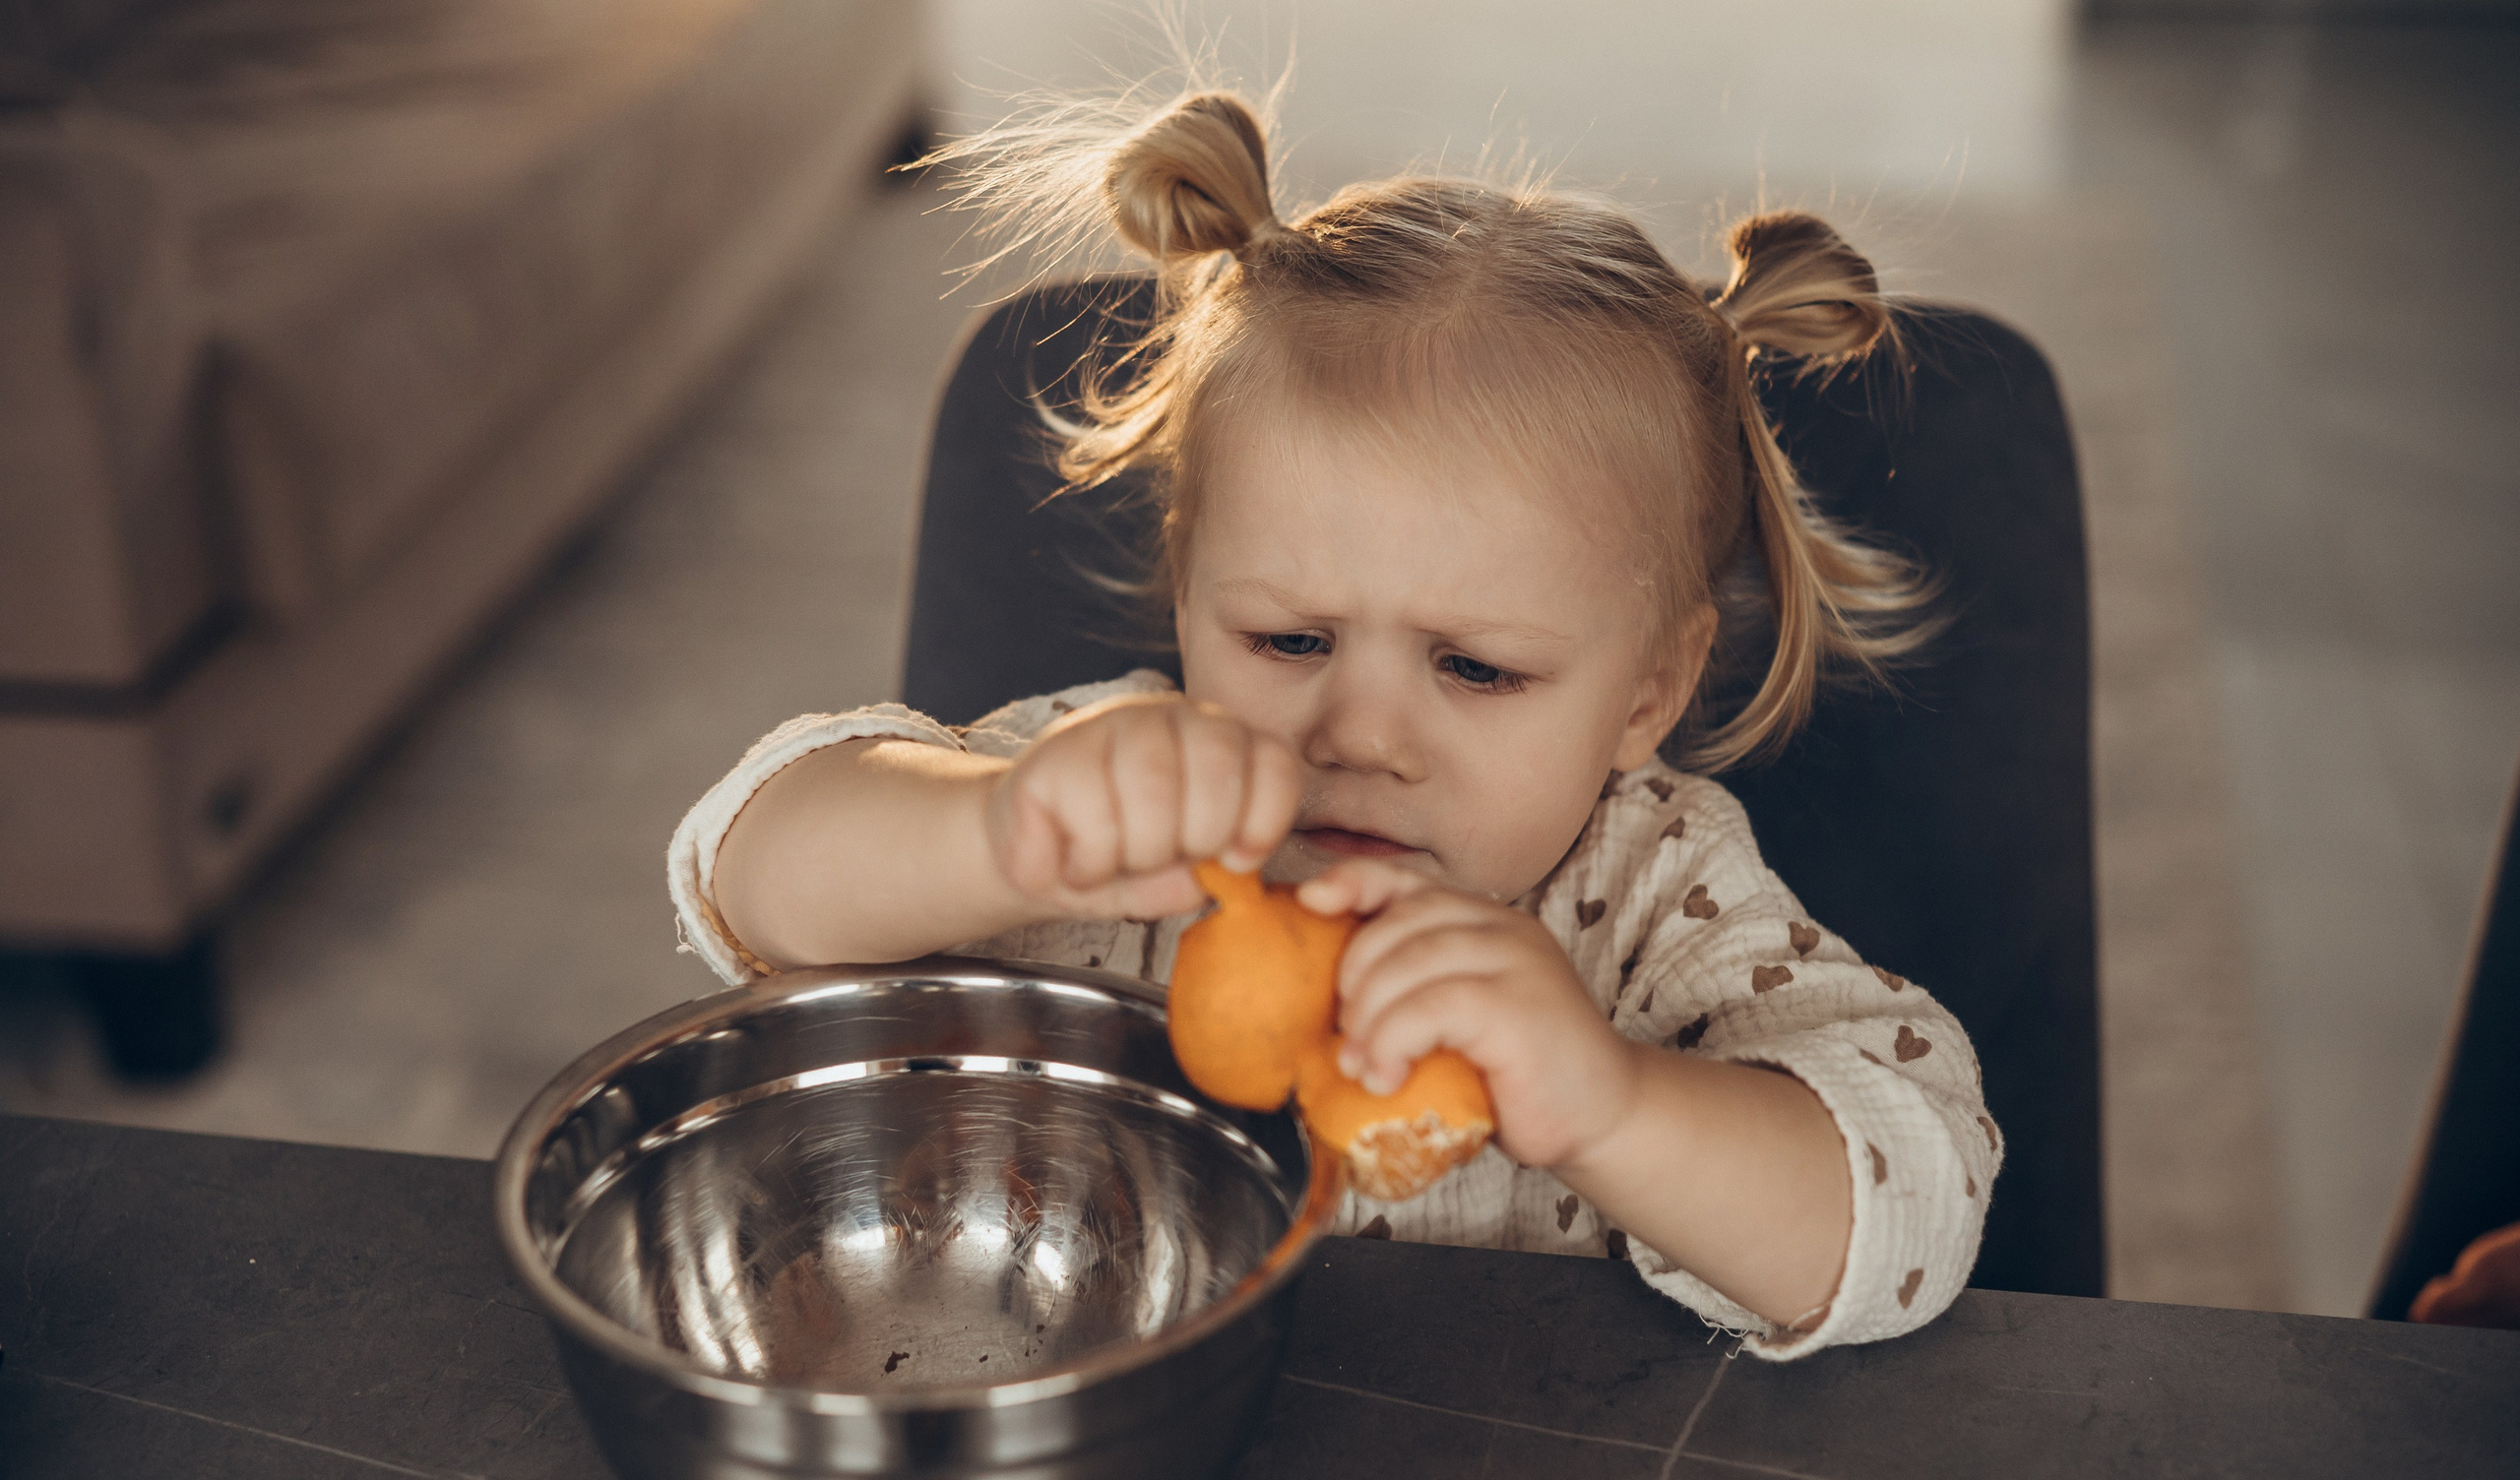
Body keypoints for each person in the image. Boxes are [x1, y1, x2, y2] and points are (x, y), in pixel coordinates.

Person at [667, 88, 1998, 1361]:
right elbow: (747, 877)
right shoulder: (1113, 798)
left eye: (1475, 669)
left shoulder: (1653, 894)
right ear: (1191, 594)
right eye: (1289, 642)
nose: (1358, 734)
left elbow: (1918, 1214)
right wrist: (994, 828)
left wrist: (1614, 1103)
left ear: (1647, 692)